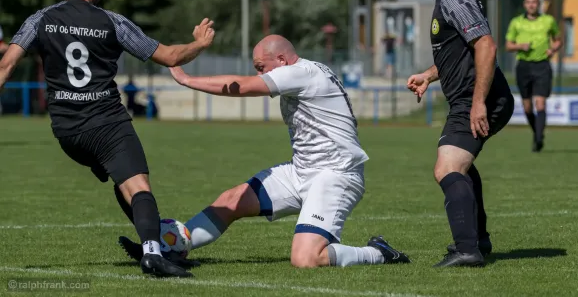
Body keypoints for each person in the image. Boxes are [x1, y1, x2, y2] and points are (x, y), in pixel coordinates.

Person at [0, 0, 215, 278]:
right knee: (138, 185)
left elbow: (5, 66)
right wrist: (198, 44)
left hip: (67, 132)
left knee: (123, 180)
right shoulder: (113, 22)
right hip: (106, 121)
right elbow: (170, 57)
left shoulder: (40, 19)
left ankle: (151, 244)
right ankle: (154, 255)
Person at [118, 34, 411, 268]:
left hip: (334, 175)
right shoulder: (305, 71)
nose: (259, 73)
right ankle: (174, 247)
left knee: (305, 259)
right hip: (302, 171)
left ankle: (378, 253)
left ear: (281, 60)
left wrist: (188, 80)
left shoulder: (300, 72)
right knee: (232, 201)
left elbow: (243, 87)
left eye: (262, 67)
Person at [407, 0, 514, 267]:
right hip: (469, 100)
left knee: (448, 167)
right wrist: (429, 74)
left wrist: (478, 103)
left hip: (477, 100)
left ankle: (467, 249)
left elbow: (485, 45)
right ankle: (478, 240)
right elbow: (460, 54)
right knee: (461, 167)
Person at [506, 0, 561, 152]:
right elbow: (508, 45)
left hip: (542, 65)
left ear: (538, 4)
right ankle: (537, 133)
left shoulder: (548, 21)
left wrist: (553, 49)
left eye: (534, 2)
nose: (531, 5)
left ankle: (538, 139)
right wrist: (520, 46)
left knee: (540, 103)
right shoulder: (516, 22)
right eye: (528, 2)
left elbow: (558, 39)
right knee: (528, 107)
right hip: (523, 66)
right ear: (524, 4)